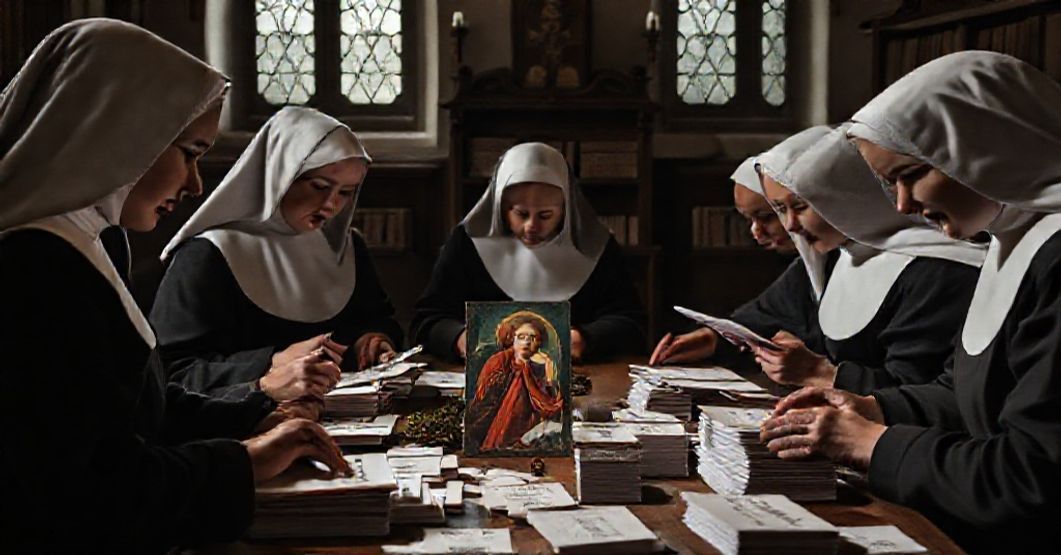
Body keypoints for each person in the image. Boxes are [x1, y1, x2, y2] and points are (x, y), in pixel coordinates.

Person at [0, 20, 348, 553]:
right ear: (120, 131)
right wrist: (245, 462)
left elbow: (138, 409)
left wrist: (254, 416)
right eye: (190, 152)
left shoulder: (94, 237)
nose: (195, 184)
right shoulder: (33, 267)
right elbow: (76, 493)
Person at [761, 51, 1061, 553]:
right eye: (889, 183)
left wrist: (868, 444)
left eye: (910, 174)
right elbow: (974, 396)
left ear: (981, 148)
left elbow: (1030, 477)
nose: (901, 205)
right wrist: (873, 406)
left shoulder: (1054, 254)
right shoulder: (1012, 236)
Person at [151, 106, 402, 402]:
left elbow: (377, 319)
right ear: (279, 176)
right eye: (320, 186)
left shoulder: (347, 247)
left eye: (346, 192)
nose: (332, 203)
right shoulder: (208, 255)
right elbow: (174, 373)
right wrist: (272, 363)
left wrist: (372, 341)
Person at [411, 142, 645, 362]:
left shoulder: (597, 247)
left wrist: (584, 340)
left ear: (566, 210)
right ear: (500, 206)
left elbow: (631, 324)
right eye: (521, 214)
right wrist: (461, 340)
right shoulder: (468, 244)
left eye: (545, 215)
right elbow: (427, 321)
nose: (532, 226)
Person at [652, 155, 827, 367]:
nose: (755, 231)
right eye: (749, 219)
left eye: (768, 216)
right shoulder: (805, 268)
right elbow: (761, 317)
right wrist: (712, 338)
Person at [466, 311, 564, 450]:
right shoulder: (499, 361)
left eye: (533, 338)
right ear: (512, 339)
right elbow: (484, 397)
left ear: (539, 342)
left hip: (531, 425)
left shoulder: (543, 364)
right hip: (497, 420)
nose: (527, 342)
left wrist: (544, 375)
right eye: (521, 337)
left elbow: (549, 403)